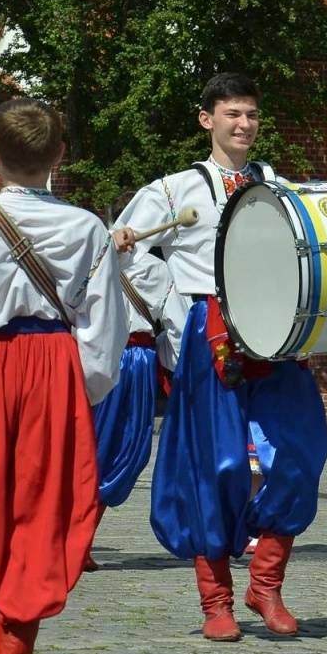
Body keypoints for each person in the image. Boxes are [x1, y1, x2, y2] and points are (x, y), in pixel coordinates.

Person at [112, 72, 327, 642]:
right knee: (218, 466)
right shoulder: (173, 190)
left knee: (298, 456)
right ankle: (216, 602)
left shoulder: (277, 185)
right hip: (211, 337)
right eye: (233, 114)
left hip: (278, 337)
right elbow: (124, 249)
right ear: (207, 119)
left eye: (252, 114)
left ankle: (266, 583)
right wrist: (176, 302)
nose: (244, 124)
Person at [0, 96, 129, 654]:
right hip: (51, 372)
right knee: (38, 520)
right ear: (60, 157)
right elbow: (104, 333)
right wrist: (79, 394)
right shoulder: (88, 229)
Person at [89, 238, 188, 567]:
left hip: (91, 358)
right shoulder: (156, 269)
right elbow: (176, 326)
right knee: (121, 449)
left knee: (88, 448)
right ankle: (80, 540)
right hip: (133, 361)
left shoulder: (86, 259)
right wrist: (174, 365)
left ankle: (73, 540)